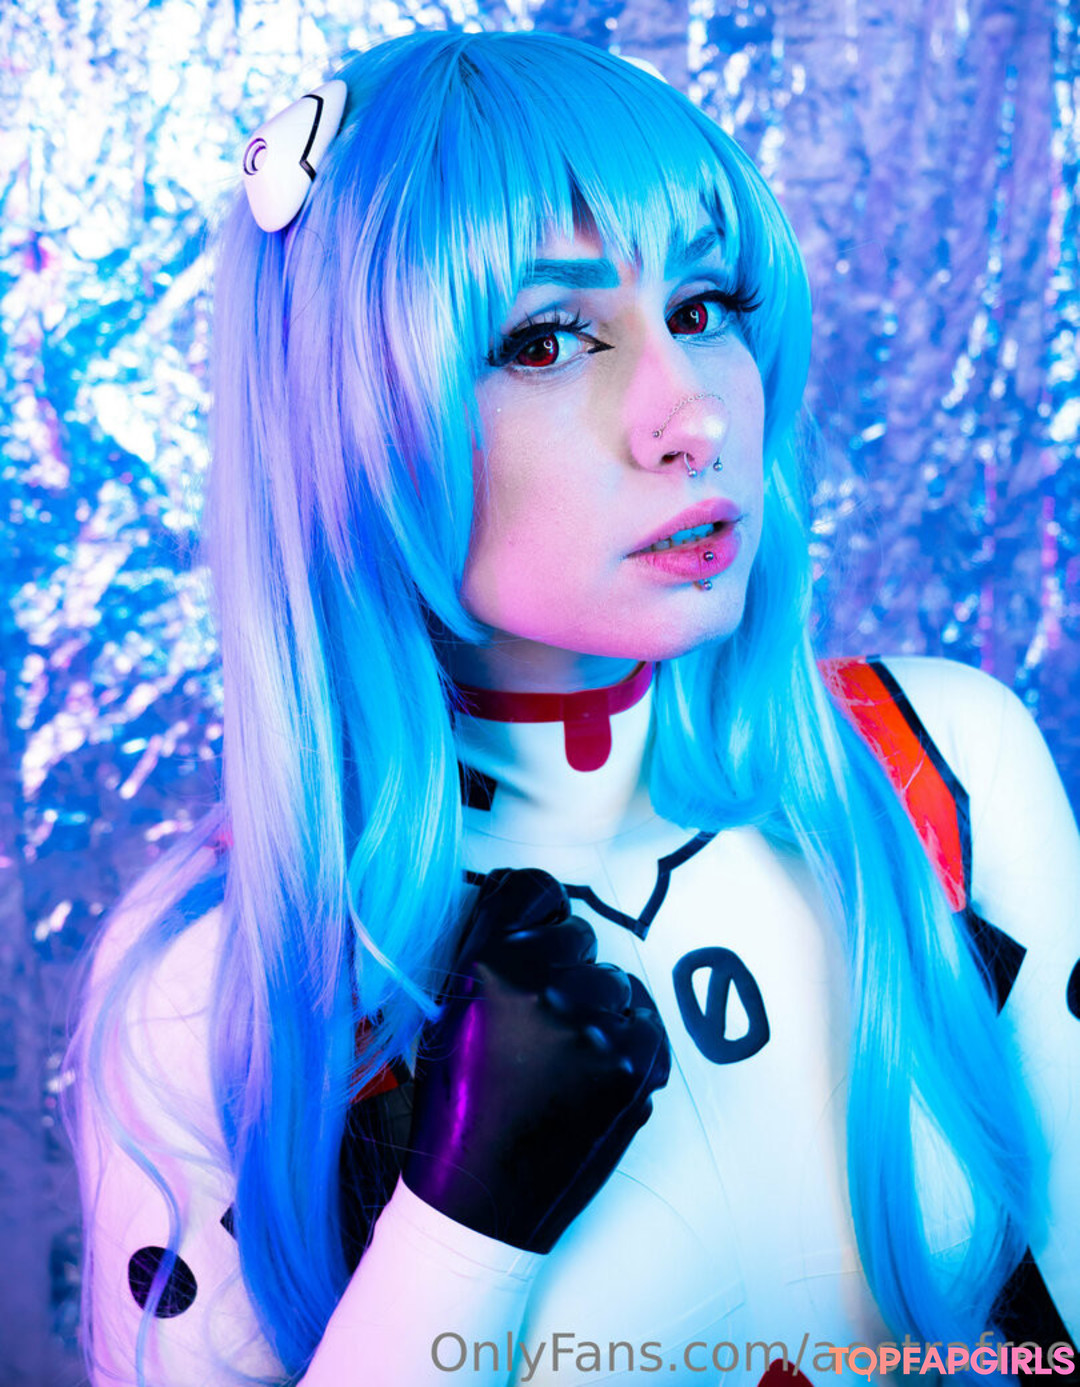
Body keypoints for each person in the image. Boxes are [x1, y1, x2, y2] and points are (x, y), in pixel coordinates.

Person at [64, 28, 1080, 1387]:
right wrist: (460, 1228)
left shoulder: (934, 777)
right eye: (548, 337)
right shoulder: (224, 984)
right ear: (349, 422)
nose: (693, 417)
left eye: (705, 308)